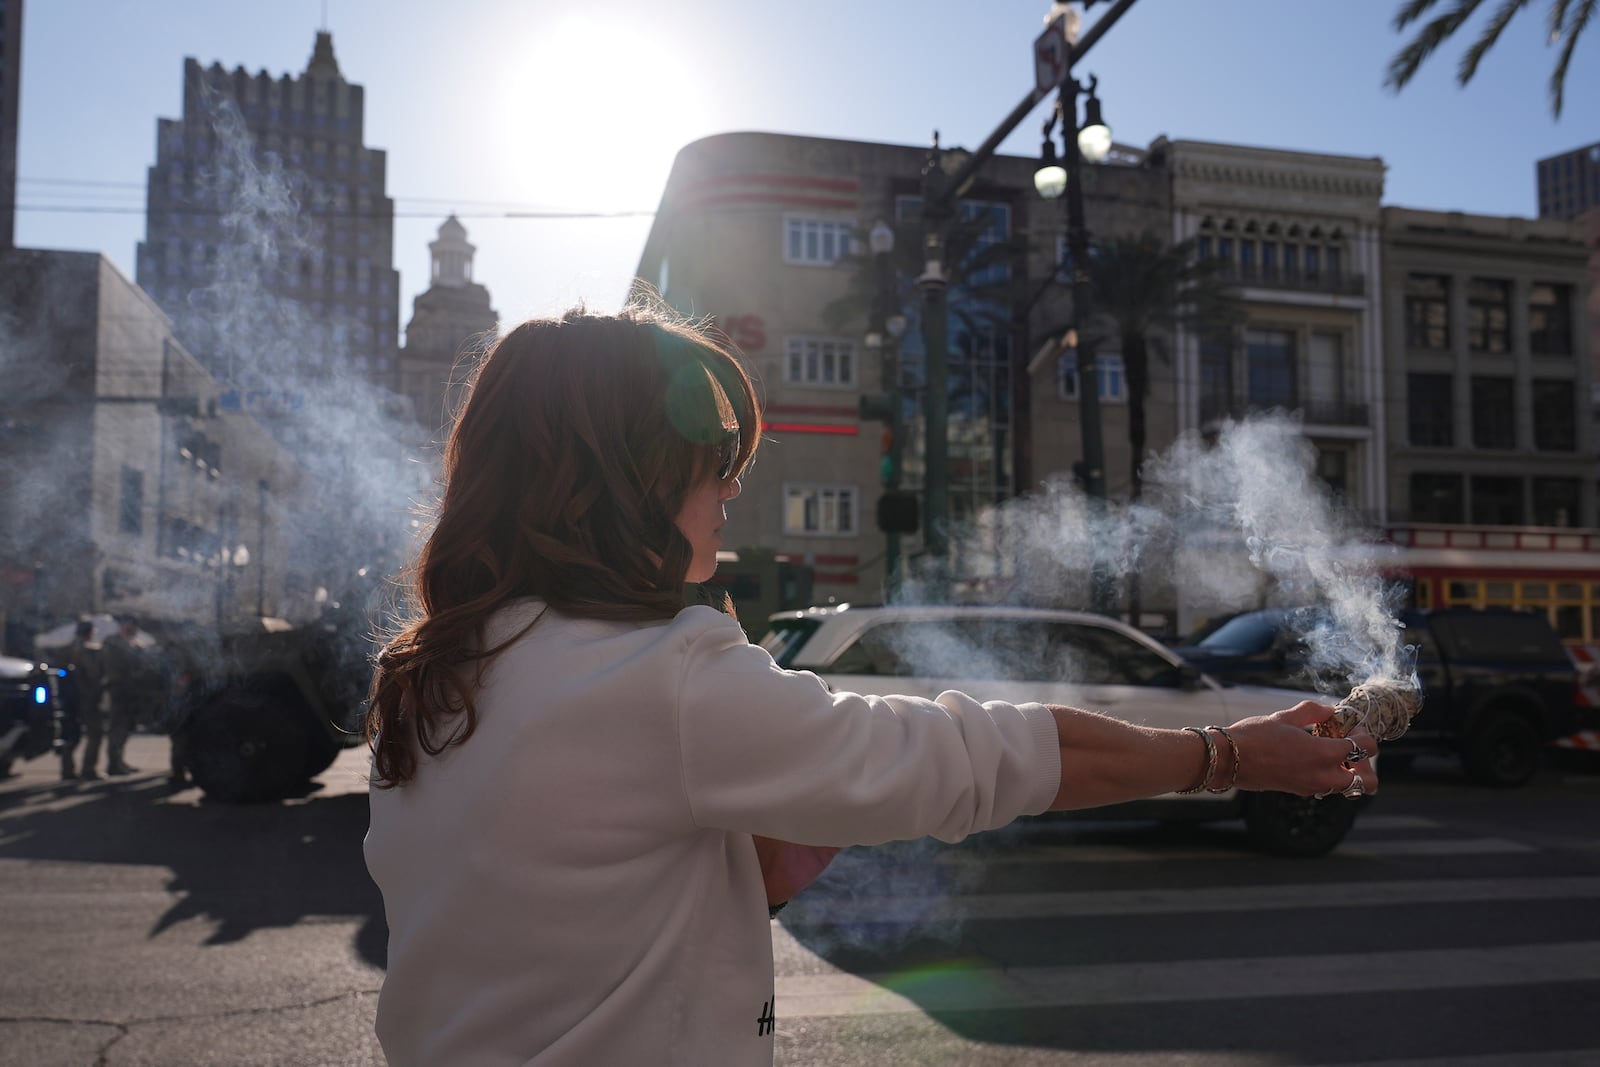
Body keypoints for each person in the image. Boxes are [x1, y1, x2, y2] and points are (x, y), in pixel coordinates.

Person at [362, 305, 1381, 1067]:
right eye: (712, 463)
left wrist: (771, 833)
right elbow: (991, 755)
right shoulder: (658, 679)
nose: (730, 490)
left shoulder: (440, 673)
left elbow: (588, 904)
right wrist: (1228, 754)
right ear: (621, 474)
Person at [99, 616, 146, 776]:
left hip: (131, 692)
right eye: (130, 626)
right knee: (117, 728)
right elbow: (117, 665)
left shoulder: (134, 643)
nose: (132, 629)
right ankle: (113, 763)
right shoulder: (113, 642)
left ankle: (119, 761)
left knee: (125, 728)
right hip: (118, 690)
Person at [58, 619, 103, 781]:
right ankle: (88, 769)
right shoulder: (85, 650)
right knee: (95, 734)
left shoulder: (67, 649)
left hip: (70, 700)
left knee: (72, 735)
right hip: (85, 699)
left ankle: (67, 769)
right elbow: (92, 675)